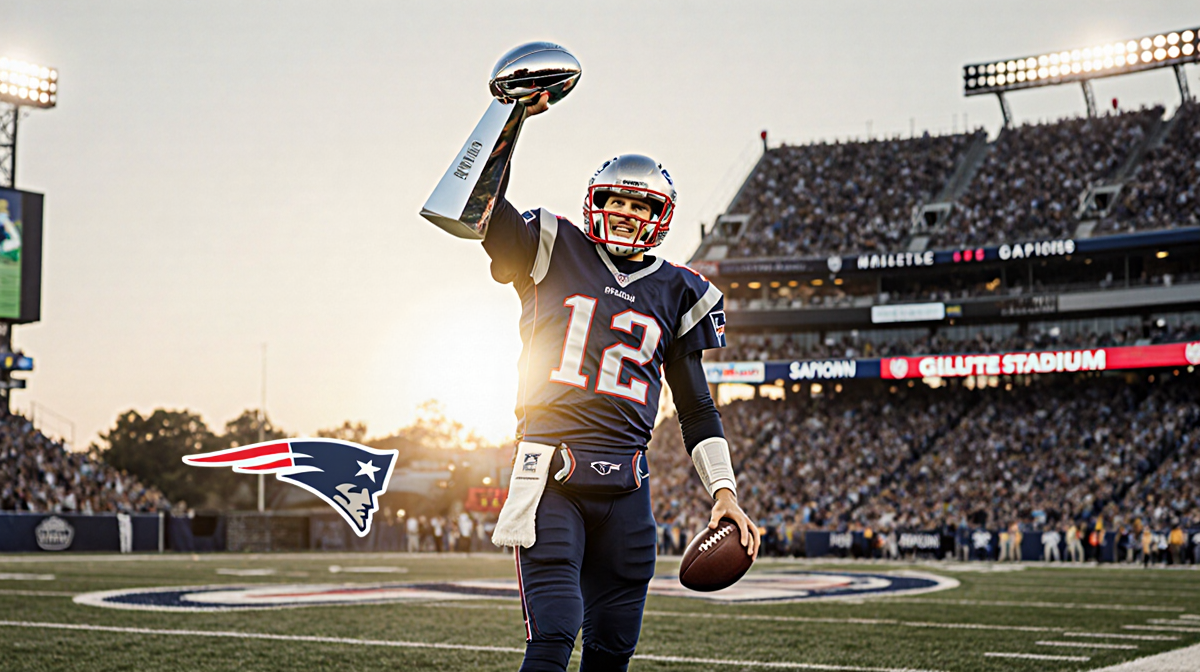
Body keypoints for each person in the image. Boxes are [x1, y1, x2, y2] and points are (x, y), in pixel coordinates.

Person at [476, 91, 760, 672]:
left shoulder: (679, 290)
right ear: (593, 202)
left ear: (662, 217)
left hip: (629, 491)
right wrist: (509, 120)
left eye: (641, 205)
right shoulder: (551, 245)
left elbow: (697, 407)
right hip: (552, 474)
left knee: (612, 651)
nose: (627, 214)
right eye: (615, 200)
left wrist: (725, 492)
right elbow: (476, 207)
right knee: (552, 635)